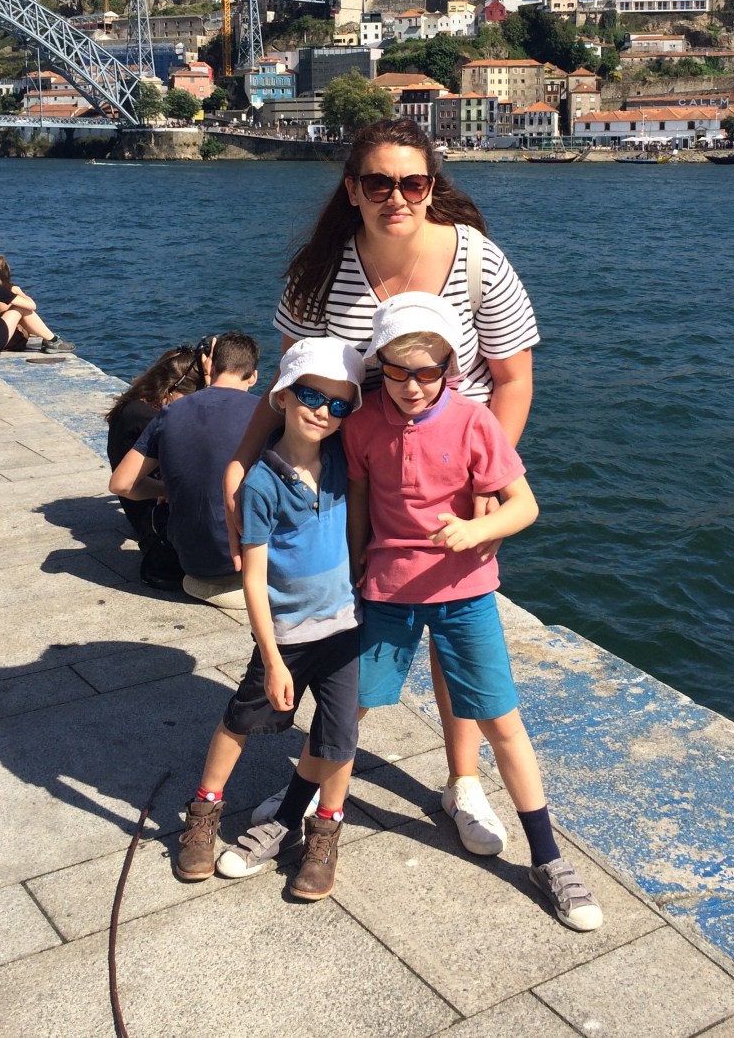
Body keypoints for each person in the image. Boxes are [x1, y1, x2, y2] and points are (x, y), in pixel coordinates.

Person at [227, 117, 540, 857]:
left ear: (432, 186)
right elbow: (292, 381)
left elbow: (512, 379)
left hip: (452, 477)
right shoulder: (320, 271)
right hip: (345, 477)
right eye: (378, 182)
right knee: (345, 627)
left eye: (412, 182)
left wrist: (485, 480)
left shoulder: (477, 262)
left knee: (452, 628)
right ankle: (321, 773)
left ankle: (463, 780)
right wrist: (241, 460)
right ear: (352, 189)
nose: (396, 196)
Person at [345, 294, 602, 932]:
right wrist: (353, 567)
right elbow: (359, 503)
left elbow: (524, 505)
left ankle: (547, 856)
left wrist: (473, 530)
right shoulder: (361, 424)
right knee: (349, 704)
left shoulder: (474, 421)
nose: (411, 386)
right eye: (397, 371)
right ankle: (308, 806)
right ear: (379, 366)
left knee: (500, 720)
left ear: (449, 367)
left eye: (427, 372)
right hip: (387, 590)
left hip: (466, 593)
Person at [175, 337, 364, 901]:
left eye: (338, 404)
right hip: (287, 636)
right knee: (240, 720)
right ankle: (204, 812)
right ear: (282, 396)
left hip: (344, 629)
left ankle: (324, 832)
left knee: (339, 737)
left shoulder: (341, 460)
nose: (323, 412)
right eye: (311, 396)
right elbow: (254, 579)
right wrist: (274, 657)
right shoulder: (260, 484)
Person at [110, 332, 261, 608]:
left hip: (191, 564)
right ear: (253, 377)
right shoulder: (264, 414)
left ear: (210, 366)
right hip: (250, 565)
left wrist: (168, 489)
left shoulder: (171, 413)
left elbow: (121, 484)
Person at [106, 343, 210, 591]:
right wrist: (168, 490)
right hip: (153, 520)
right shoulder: (150, 418)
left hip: (144, 510)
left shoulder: (136, 406)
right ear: (173, 388)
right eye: (195, 396)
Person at [0, 254, 75, 357]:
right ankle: (53, 340)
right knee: (20, 308)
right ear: (3, 275)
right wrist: (18, 291)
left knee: (12, 310)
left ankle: (50, 339)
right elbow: (32, 306)